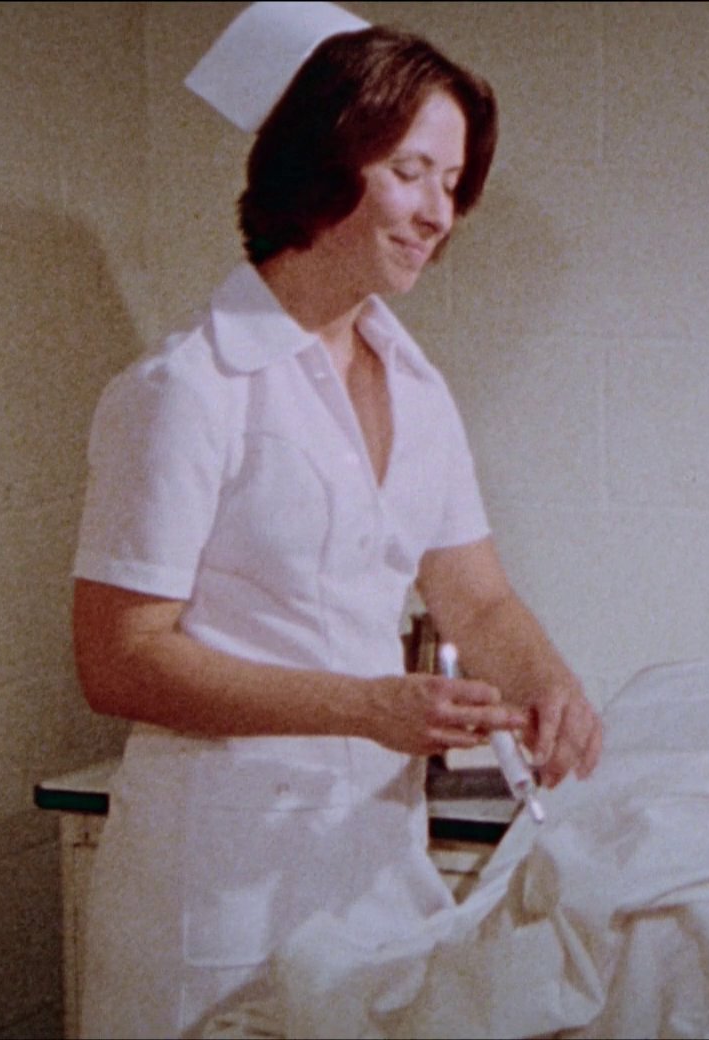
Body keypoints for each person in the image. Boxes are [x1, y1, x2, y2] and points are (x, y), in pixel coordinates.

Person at [68, 4, 602, 1036]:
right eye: (411, 171)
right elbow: (119, 661)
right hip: (217, 891)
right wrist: (364, 707)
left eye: (452, 183)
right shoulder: (187, 390)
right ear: (323, 164)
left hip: (370, 874)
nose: (439, 212)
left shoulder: (416, 385)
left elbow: (477, 597)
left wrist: (548, 684)